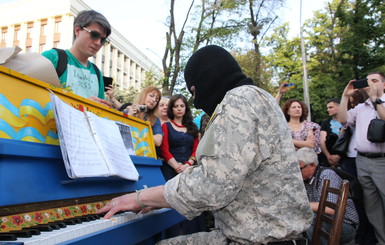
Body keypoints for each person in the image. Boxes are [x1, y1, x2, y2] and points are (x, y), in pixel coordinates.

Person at [97, 45, 313, 244]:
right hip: (262, 232)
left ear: (204, 81)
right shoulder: (258, 98)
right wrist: (157, 198)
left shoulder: (238, 101)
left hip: (260, 239)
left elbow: (213, 185)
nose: (196, 101)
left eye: (193, 92)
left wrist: (140, 198)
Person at [338, 72, 385, 245]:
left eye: (374, 81)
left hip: (382, 160)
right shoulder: (361, 107)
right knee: (372, 207)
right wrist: (345, 96)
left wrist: (375, 99)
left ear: (383, 85)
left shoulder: (380, 102)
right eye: (368, 81)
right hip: (363, 161)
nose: (370, 84)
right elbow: (343, 119)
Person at [42, 10, 111, 107]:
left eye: (103, 40)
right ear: (77, 30)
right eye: (94, 35)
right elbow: (32, 97)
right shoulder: (53, 57)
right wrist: (81, 105)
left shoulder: (97, 73)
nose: (98, 43)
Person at [160, 94, 204, 237]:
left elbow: (196, 149)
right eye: (176, 106)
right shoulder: (166, 126)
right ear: (172, 108)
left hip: (189, 170)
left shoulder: (192, 127)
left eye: (182, 106)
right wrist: (176, 166)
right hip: (170, 170)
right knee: (172, 203)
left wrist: (187, 165)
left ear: (186, 108)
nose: (179, 109)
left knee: (190, 202)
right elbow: (164, 149)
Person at [295, 147, 359, 245]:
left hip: (345, 225)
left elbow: (330, 208)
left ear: (312, 165)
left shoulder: (327, 174)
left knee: (308, 218)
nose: (297, 173)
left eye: (300, 169)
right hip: (325, 222)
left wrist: (300, 204)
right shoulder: (306, 180)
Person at [319, 98, 343, 167]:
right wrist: (328, 156)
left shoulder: (349, 121)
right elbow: (322, 141)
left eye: (331, 107)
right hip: (329, 156)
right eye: (328, 108)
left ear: (339, 106)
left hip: (345, 157)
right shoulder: (325, 123)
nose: (328, 110)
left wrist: (339, 156)